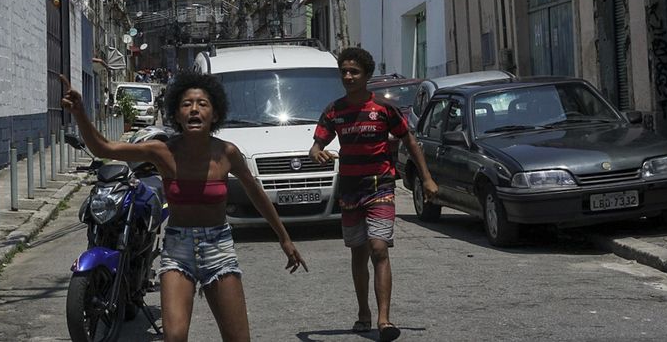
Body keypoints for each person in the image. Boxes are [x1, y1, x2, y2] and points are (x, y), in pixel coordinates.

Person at [60, 72, 307, 342]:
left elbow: (255, 192)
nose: (194, 109)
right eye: (187, 104)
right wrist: (80, 113)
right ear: (176, 115)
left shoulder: (227, 153)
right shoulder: (162, 152)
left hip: (219, 249)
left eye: (202, 104)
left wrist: (284, 238)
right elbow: (104, 147)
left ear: (214, 114)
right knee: (175, 336)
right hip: (178, 250)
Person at [309, 47, 438, 342]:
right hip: (350, 190)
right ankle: (363, 311)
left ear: (366, 75)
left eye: (354, 71)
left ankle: (384, 320)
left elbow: (409, 139)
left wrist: (427, 178)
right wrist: (317, 152)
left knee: (379, 248)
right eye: (344, 71)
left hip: (380, 186)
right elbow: (316, 144)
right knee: (359, 252)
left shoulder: (383, 108)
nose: (348, 76)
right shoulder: (334, 110)